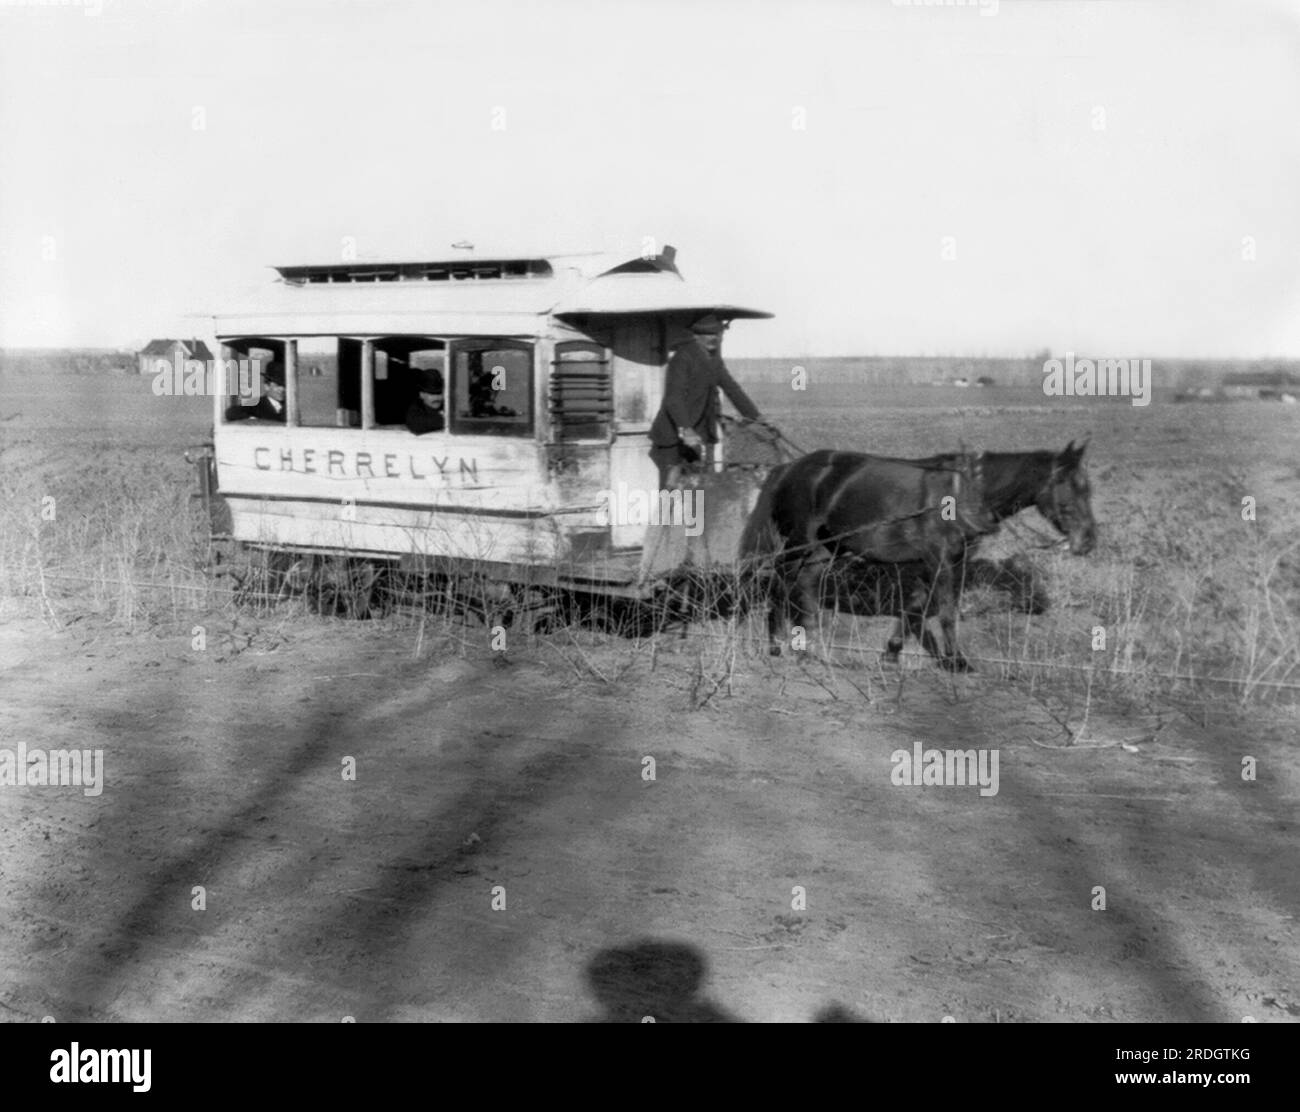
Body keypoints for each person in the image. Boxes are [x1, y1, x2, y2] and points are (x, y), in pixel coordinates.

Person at [648, 313, 766, 488]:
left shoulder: (714, 360)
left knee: (698, 487)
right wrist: (686, 429)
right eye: (708, 334)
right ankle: (666, 515)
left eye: (717, 334)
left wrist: (757, 418)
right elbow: (674, 399)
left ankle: (693, 515)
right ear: (696, 336)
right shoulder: (682, 358)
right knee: (671, 489)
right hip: (672, 437)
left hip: (700, 434)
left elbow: (732, 389)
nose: (714, 338)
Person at [405, 365, 446, 434]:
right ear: (422, 395)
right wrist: (447, 421)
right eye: (431, 394)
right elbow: (417, 425)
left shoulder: (447, 407)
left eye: (439, 393)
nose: (436, 398)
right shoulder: (416, 409)